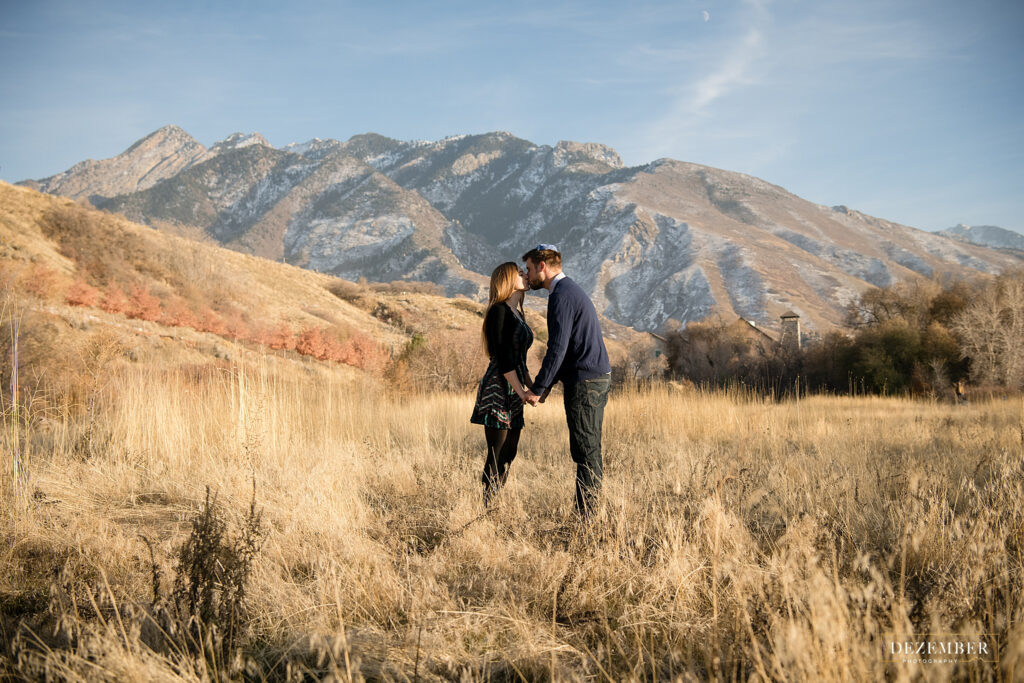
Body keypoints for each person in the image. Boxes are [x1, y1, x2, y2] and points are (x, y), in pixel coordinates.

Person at [521, 244, 611, 519]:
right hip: (591, 378)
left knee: (585, 451)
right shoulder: (568, 290)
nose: (528, 275)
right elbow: (568, 348)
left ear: (542, 266)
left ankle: (588, 520)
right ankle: (588, 514)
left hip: (586, 382)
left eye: (528, 269)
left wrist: (537, 388)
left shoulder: (561, 296)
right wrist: (545, 386)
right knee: (588, 449)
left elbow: (558, 348)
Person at [470, 261, 534, 507]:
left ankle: (495, 502)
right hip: (499, 386)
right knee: (497, 451)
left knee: (511, 451)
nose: (525, 276)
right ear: (507, 279)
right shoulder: (498, 311)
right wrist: (523, 391)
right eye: (519, 273)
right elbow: (505, 358)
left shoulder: (519, 313)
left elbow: (520, 360)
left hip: (515, 386)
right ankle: (486, 507)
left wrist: (534, 387)